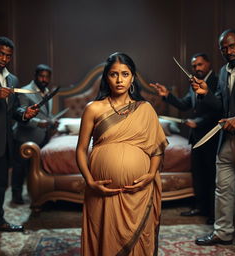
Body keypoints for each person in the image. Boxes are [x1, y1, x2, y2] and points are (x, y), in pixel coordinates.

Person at [76, 52, 168, 255]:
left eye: (125, 74)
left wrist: (151, 174)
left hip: (139, 193)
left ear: (132, 77)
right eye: (113, 74)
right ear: (106, 77)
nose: (119, 80)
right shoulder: (94, 108)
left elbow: (157, 149)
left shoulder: (146, 109)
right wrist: (90, 182)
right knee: (104, 239)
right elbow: (81, 149)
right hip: (102, 192)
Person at [150, 53, 221, 225]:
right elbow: (184, 104)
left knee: (212, 176)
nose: (197, 68)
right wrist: (167, 95)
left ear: (209, 64)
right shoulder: (194, 83)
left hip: (212, 136)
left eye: (200, 64)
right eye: (194, 66)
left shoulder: (218, 81)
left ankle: (213, 213)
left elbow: (220, 108)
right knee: (198, 174)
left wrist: (199, 122)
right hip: (196, 137)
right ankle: (200, 207)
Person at [192, 29, 235, 246]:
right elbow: (220, 106)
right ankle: (223, 233)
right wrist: (206, 94)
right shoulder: (223, 71)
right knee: (222, 188)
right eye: (223, 48)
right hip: (226, 140)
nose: (228, 51)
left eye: (232, 46)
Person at [0, 36, 39, 232]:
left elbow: (14, 110)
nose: (3, 58)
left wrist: (25, 114)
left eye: (8, 56)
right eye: (0, 53)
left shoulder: (13, 80)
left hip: (4, 143)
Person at [11, 64, 58, 204]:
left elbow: (45, 114)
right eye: (41, 76)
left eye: (47, 77)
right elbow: (22, 115)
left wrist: (51, 120)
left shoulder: (48, 91)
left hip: (41, 136)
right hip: (23, 137)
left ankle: (34, 193)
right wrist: (38, 123)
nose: (44, 79)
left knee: (34, 169)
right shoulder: (25, 91)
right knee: (19, 169)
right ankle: (16, 196)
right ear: (35, 76)